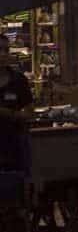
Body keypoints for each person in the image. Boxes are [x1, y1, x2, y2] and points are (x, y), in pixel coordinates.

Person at [0, 35, 33, 174]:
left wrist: (12, 114)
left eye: (6, 50)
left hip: (13, 148)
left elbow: (30, 111)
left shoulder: (19, 80)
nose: (3, 54)